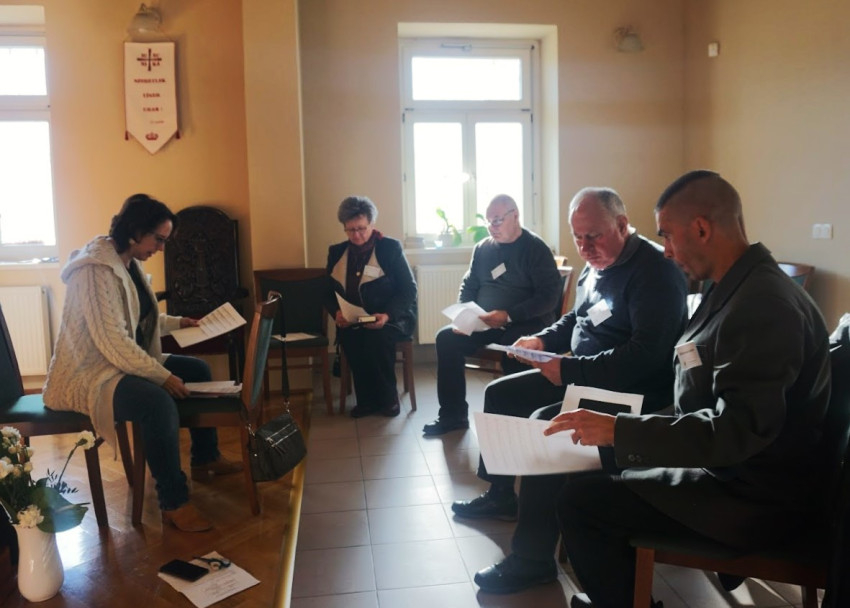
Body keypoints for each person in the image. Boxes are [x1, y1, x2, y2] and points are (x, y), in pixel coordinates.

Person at [547, 170, 831, 608]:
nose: (665, 249)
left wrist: (621, 430)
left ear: (701, 228)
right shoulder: (738, 286)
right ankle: (621, 594)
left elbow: (736, 432)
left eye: (667, 235)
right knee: (591, 458)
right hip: (732, 472)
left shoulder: (763, 304)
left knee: (582, 502)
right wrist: (618, 431)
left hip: (752, 498)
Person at [462, 188, 688, 593]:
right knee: (501, 395)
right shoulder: (597, 264)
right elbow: (577, 319)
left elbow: (646, 356)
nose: (584, 248)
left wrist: (568, 370)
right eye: (577, 237)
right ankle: (501, 494)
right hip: (586, 374)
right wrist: (543, 339)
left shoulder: (655, 272)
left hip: (633, 391)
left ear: (622, 225)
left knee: (547, 427)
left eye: (593, 236)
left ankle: (532, 560)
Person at [42, 194, 242, 533]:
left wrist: (179, 322)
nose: (161, 248)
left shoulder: (127, 262)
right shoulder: (95, 270)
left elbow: (136, 319)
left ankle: (205, 457)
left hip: (117, 363)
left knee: (198, 370)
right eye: (158, 240)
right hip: (91, 374)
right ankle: (173, 502)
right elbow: (113, 341)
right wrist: (162, 376)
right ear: (135, 232)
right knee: (157, 403)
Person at [423, 194, 563, 436]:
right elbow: (469, 284)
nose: (492, 227)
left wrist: (509, 315)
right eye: (488, 221)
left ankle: (516, 421)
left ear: (515, 216)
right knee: (446, 339)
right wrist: (464, 315)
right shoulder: (483, 248)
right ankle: (453, 416)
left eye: (497, 220)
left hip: (525, 322)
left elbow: (549, 297)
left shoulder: (535, 248)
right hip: (485, 322)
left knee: (514, 346)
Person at [325, 195, 417, 418]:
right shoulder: (337, 252)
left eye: (361, 228)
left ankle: (388, 398)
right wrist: (336, 313)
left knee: (377, 338)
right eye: (350, 230)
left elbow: (408, 290)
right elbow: (327, 291)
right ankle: (366, 401)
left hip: (391, 318)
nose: (356, 235)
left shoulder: (389, 248)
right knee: (352, 337)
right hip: (353, 318)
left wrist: (387, 315)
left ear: (372, 224)